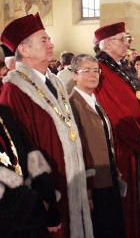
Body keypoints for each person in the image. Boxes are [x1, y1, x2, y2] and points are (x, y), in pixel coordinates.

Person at [0, 13, 93, 238]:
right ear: (24, 49)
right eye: (44, 40)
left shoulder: (55, 82)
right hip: (49, 187)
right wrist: (44, 196)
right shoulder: (14, 90)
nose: (51, 44)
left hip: (72, 180)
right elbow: (21, 151)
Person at [93, 22, 140, 238]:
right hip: (122, 146)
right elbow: (116, 112)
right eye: (122, 39)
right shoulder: (100, 70)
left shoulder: (121, 67)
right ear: (107, 44)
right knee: (125, 203)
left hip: (136, 142)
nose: (127, 43)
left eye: (127, 38)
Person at [70, 54, 125, 238]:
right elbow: (76, 150)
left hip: (107, 174)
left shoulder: (94, 100)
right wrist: (85, 188)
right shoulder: (72, 105)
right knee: (101, 228)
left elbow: (105, 139)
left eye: (96, 71)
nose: (93, 75)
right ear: (74, 75)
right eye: (86, 71)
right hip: (93, 181)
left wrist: (114, 167)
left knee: (113, 226)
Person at [0, 105, 61, 237]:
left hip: (32, 220)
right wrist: (34, 202)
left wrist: (47, 197)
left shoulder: (4, 112)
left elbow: (30, 153)